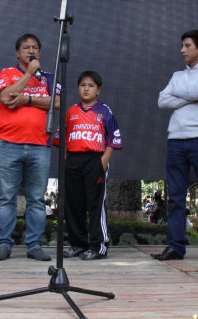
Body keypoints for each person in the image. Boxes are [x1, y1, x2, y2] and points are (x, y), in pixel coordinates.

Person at [153, 29, 198, 265]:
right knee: (175, 197)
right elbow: (162, 100)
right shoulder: (177, 75)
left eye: (187, 45)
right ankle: (175, 247)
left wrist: (183, 94)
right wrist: (193, 95)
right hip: (176, 141)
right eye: (182, 45)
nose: (182, 50)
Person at [0, 33, 60, 261]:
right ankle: (3, 244)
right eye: (26, 47)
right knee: (6, 197)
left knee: (37, 199)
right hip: (8, 144)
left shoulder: (50, 77)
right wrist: (29, 74)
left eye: (35, 48)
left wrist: (28, 100)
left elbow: (58, 102)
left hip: (39, 145)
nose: (31, 51)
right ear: (17, 53)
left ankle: (34, 245)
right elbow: (6, 96)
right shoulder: (6, 73)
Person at [59, 71, 122, 260]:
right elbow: (61, 138)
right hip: (73, 161)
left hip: (95, 160)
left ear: (98, 90)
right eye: (82, 85)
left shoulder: (104, 111)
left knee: (95, 205)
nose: (86, 89)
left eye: (91, 85)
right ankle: (77, 243)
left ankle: (98, 245)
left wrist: (103, 162)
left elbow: (113, 139)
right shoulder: (70, 111)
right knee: (73, 204)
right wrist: (65, 160)